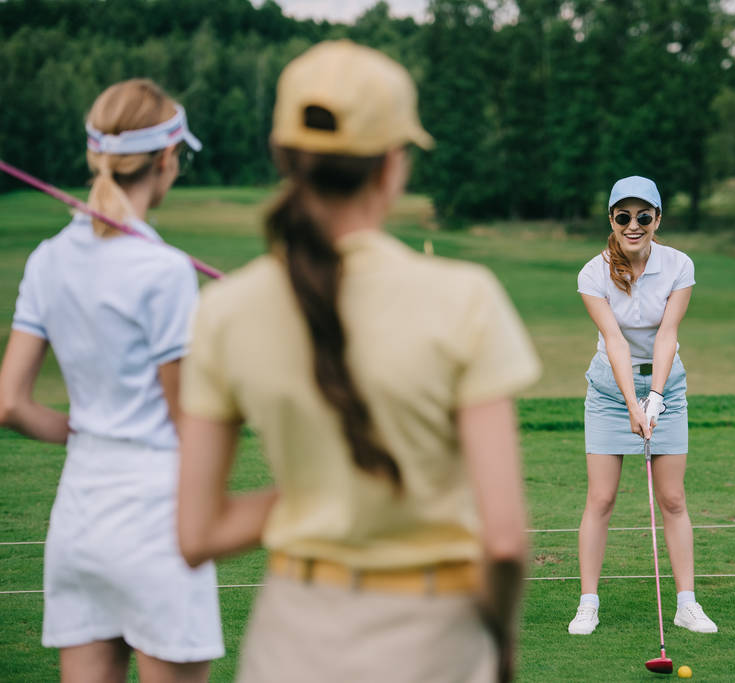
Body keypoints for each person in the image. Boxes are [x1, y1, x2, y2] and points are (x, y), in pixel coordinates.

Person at [175, 41, 541, 683]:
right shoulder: (466, 298)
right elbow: (505, 541)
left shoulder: (223, 311)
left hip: (290, 639)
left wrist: (318, 494)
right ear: (392, 166)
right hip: (433, 638)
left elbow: (197, 534)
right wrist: (502, 647)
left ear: (284, 157)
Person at [0, 79, 222, 680]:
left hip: (80, 519)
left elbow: (10, 404)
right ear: (167, 159)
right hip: (156, 519)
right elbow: (189, 419)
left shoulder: (47, 259)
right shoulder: (167, 271)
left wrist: (91, 433)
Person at [568, 175, 717, 636]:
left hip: (666, 391)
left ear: (658, 219)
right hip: (610, 395)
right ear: (611, 219)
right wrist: (633, 403)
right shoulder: (593, 274)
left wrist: (654, 399)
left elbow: (667, 334)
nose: (634, 225)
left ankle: (686, 604)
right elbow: (614, 341)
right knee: (602, 497)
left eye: (643, 216)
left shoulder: (678, 265)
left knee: (672, 499)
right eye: (623, 216)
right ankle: (587, 603)